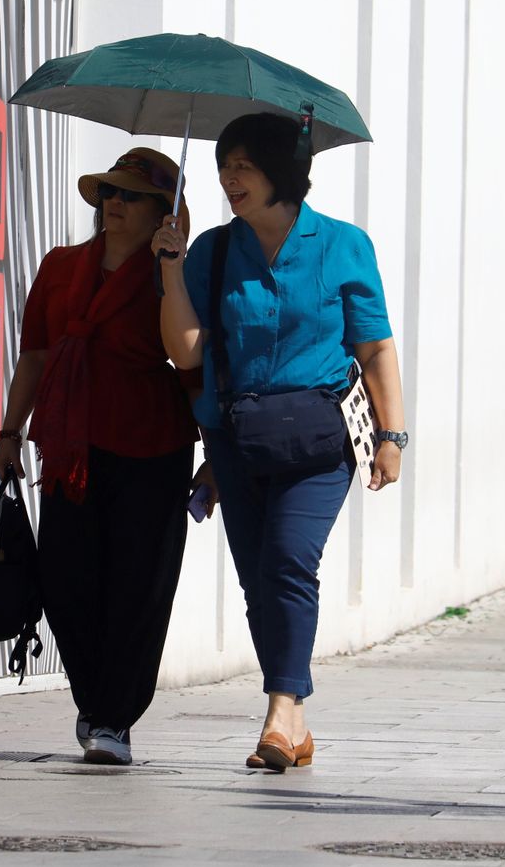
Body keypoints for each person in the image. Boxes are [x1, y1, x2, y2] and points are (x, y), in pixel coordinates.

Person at [152, 112, 408, 772]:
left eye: (243, 165)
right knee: (259, 581)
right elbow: (185, 351)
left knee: (290, 561)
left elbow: (375, 347)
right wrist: (173, 270)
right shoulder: (209, 250)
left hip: (320, 437)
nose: (228, 178)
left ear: (281, 173)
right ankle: (293, 722)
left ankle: (280, 711)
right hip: (236, 439)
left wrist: (393, 435)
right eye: (223, 166)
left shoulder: (344, 245)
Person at [0, 146, 207, 766]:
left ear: (165, 212)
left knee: (139, 588)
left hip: (153, 446)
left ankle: (114, 717)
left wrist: (215, 454)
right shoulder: (61, 266)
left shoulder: (176, 273)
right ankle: (95, 701)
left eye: (131, 196)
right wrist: (11, 432)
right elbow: (35, 352)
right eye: (110, 193)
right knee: (65, 582)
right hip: (70, 446)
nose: (114, 203)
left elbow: (194, 368)